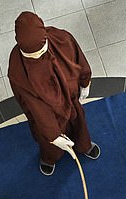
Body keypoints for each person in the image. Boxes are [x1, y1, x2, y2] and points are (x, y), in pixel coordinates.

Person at [8, 11, 100, 176]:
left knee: (79, 124)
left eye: (41, 51)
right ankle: (49, 158)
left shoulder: (62, 38)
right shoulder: (17, 70)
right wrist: (53, 134)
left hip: (71, 100)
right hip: (47, 115)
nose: (38, 57)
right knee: (50, 143)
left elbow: (79, 60)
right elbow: (35, 107)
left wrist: (85, 82)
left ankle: (83, 145)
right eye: (32, 56)